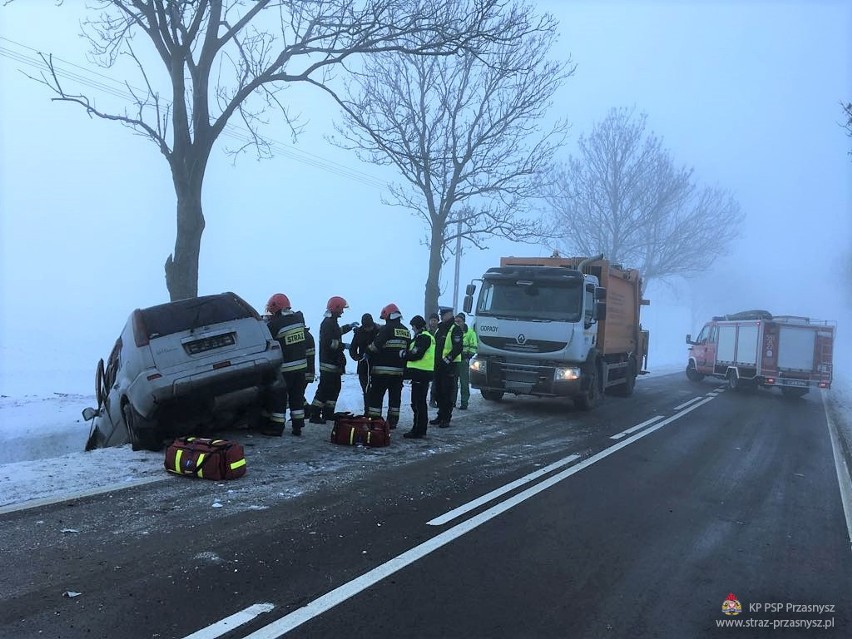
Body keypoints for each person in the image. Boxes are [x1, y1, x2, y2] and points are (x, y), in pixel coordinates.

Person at [264, 293, 310, 436]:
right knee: (297, 397)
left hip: (286, 369)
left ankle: (277, 428)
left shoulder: (274, 325)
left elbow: (268, 340)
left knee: (280, 398)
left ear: (275, 308)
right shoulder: (299, 318)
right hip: (301, 367)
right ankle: (298, 426)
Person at [309, 296, 358, 423]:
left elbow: (337, 332)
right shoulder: (327, 323)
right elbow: (330, 343)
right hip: (328, 364)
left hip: (334, 364)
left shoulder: (332, 322)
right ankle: (314, 414)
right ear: (336, 308)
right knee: (324, 389)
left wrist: (348, 326)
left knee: (335, 388)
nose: (342, 312)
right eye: (341, 309)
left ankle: (328, 413)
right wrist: (345, 346)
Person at [365, 303, 410, 429]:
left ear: (388, 316)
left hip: (381, 372)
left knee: (376, 396)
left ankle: (375, 420)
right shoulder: (406, 331)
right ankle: (393, 421)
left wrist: (367, 351)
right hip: (398, 372)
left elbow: (375, 346)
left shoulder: (386, 329)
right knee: (395, 398)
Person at [431, 307, 464, 428]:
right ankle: (440, 415)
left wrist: (447, 359)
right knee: (438, 392)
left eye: (443, 314)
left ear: (449, 314)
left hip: (449, 366)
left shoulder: (454, 329)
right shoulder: (440, 329)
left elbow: (458, 347)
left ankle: (446, 418)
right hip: (438, 366)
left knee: (447, 392)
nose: (441, 316)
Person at [403, 315, 435, 439]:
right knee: (418, 402)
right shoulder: (424, 337)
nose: (412, 329)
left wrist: (404, 354)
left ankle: (418, 429)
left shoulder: (424, 337)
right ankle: (419, 428)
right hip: (421, 374)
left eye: (413, 327)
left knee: (418, 403)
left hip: (421, 374)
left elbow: (416, 354)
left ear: (416, 326)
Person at [349, 313, 380, 414]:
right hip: (363, 366)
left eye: (369, 327)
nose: (368, 329)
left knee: (376, 391)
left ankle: (375, 414)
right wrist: (357, 358)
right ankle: (367, 413)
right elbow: (352, 349)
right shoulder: (359, 332)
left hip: (377, 366)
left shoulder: (379, 330)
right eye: (366, 327)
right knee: (366, 391)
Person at [454, 312, 478, 410]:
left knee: (464, 383)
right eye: (456, 321)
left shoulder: (471, 333)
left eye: (459, 321)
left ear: (463, 322)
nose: (457, 323)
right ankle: (452, 402)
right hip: (454, 360)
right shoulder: (453, 331)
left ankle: (464, 402)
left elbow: (474, 347)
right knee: (453, 383)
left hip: (464, 360)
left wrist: (468, 357)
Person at [428, 312, 440, 408]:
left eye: (435, 320)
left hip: (437, 359)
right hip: (428, 360)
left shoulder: (440, 332)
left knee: (436, 381)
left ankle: (434, 399)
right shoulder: (427, 332)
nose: (433, 322)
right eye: (432, 320)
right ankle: (431, 400)